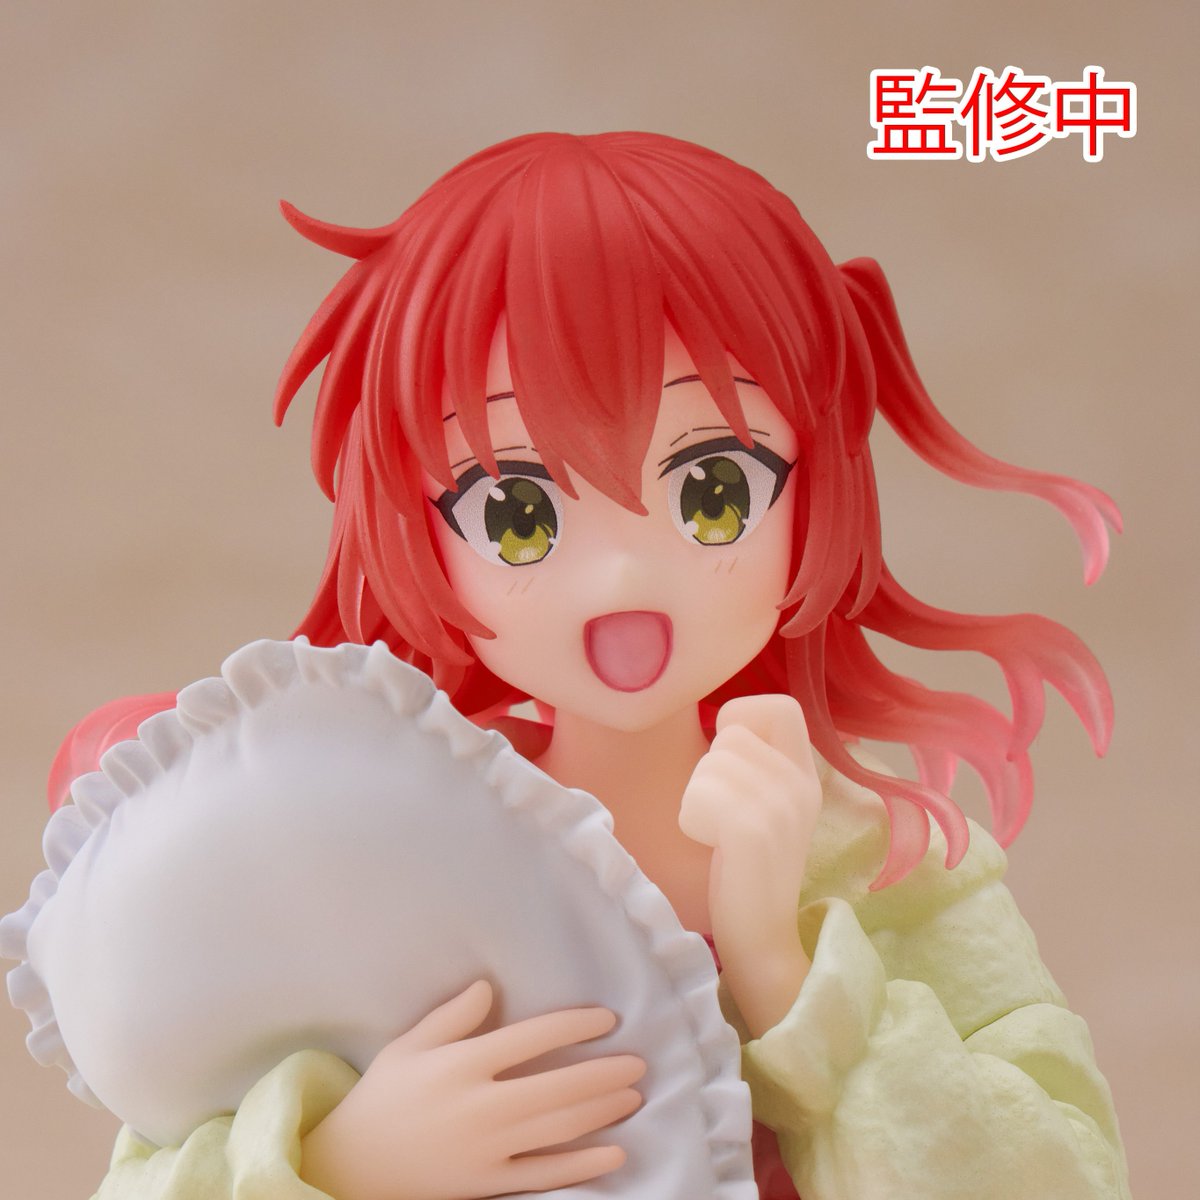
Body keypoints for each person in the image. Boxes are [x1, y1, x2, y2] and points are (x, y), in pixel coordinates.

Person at [50, 132, 1128, 1199]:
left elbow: (1064, 1177)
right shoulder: (369, 839)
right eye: (516, 513)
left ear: (819, 481)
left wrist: (785, 977)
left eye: (715, 492)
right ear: (409, 522)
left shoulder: (882, 859)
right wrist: (335, 1160)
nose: (621, 578)